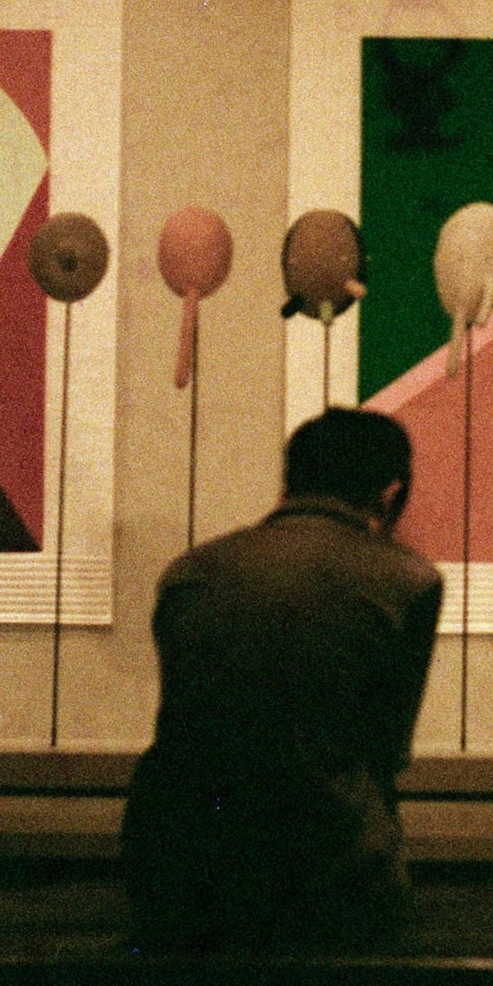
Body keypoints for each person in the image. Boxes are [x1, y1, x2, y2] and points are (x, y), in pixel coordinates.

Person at [121, 407, 443, 952]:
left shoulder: (190, 570)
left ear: (291, 480)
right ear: (389, 494)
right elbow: (386, 748)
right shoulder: (409, 580)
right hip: (328, 874)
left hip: (176, 865)